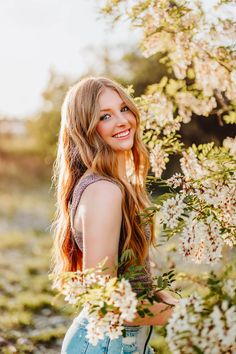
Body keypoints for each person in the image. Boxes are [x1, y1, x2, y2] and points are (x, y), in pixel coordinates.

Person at [51, 77, 178, 354]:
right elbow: (103, 302)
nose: (122, 121)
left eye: (124, 109)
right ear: (86, 130)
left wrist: (166, 299)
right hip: (106, 345)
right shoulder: (104, 191)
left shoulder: (116, 184)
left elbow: (128, 278)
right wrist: (181, 314)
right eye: (105, 116)